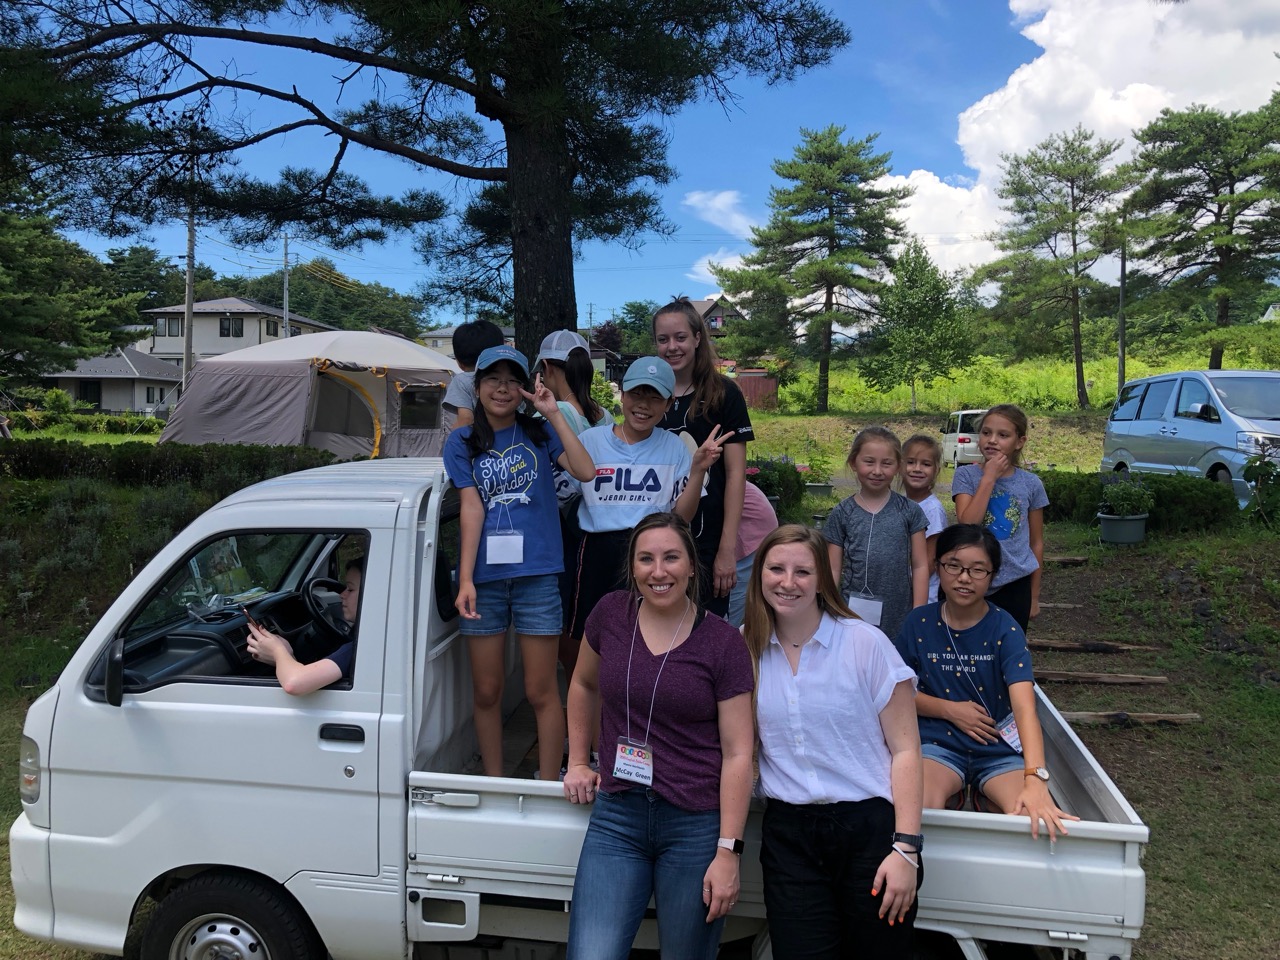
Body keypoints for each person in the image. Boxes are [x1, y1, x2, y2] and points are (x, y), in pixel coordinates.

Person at [563, 512, 754, 960]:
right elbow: (583, 684)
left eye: (671, 557)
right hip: (618, 816)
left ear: (692, 566)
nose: (658, 571)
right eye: (646, 559)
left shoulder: (723, 643)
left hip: (694, 823)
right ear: (632, 568)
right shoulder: (610, 613)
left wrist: (728, 852)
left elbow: (739, 753)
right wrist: (578, 761)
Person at [744, 525, 923, 959]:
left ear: (823, 579)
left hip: (870, 834)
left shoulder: (864, 643)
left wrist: (906, 849)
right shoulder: (745, 649)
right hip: (790, 839)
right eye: (776, 569)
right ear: (759, 573)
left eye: (803, 571)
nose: (788, 582)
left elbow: (906, 750)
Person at [443, 345, 596, 780]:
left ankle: (547, 787)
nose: (503, 388)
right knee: (487, 691)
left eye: (513, 380)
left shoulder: (539, 432)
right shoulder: (462, 442)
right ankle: (496, 784)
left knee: (541, 691)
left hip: (538, 577)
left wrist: (554, 414)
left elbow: (585, 471)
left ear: (525, 387)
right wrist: (466, 579)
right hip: (485, 582)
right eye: (493, 379)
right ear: (477, 386)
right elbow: (471, 508)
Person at [894, 524, 1078, 840]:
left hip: (998, 750)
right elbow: (896, 696)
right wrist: (950, 710)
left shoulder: (1006, 629)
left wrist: (1035, 778)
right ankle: (952, 794)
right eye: (954, 566)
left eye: (978, 570)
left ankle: (986, 797)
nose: (964, 578)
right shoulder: (917, 624)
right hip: (936, 747)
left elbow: (1025, 708)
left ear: (992, 575)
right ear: (938, 566)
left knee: (1030, 816)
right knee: (918, 809)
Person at [567, 357, 728, 651]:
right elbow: (563, 492)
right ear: (622, 395)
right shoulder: (590, 441)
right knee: (589, 634)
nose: (643, 405)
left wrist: (697, 471)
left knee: (645, 634)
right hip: (596, 552)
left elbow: (682, 517)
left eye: (655, 398)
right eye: (637, 394)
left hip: (651, 551)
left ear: (668, 404)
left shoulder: (673, 447)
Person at [653, 297, 754, 618]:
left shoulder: (723, 393)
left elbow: (736, 475)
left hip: (707, 540)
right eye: (663, 339)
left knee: (706, 631)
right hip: (659, 541)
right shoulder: (649, 395)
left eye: (680, 337)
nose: (672, 347)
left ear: (698, 338)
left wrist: (727, 550)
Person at [533, 329, 614, 680]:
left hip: (562, 532)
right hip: (597, 528)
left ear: (548, 369)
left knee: (567, 622)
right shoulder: (604, 415)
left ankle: (577, 698)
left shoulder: (552, 414)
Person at [823, 426, 929, 639]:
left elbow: (920, 565)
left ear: (898, 466)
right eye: (869, 462)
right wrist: (827, 609)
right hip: (851, 613)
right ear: (853, 463)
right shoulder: (842, 513)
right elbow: (832, 568)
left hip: (899, 614)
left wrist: (918, 614)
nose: (878, 471)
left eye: (886, 463)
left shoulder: (910, 511)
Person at [951, 404, 1048, 631]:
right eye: (986, 433)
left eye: (1003, 435)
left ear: (1019, 442)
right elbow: (968, 524)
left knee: (1009, 646)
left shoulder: (1031, 484)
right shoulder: (966, 475)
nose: (992, 440)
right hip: (971, 579)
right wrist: (989, 478)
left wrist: (1034, 596)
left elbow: (1036, 543)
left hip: (1016, 583)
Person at [247, 557, 363, 695]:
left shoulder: (359, 649)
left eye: (350, 589)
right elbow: (306, 678)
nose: (342, 594)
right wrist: (288, 656)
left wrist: (277, 651)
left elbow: (294, 683)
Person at [900, 433, 948, 603]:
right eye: (911, 462)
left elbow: (929, 562)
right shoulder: (898, 502)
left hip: (921, 596)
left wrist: (901, 586)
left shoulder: (932, 509)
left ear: (936, 470)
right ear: (900, 465)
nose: (917, 469)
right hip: (898, 592)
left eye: (926, 464)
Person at [725, 480, 778, 628]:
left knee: (733, 593)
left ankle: (725, 636)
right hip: (754, 528)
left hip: (753, 533)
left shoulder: (718, 479)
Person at [440, 319, 506, 431]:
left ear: (459, 362)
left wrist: (455, 433)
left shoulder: (461, 381)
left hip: (481, 439)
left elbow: (466, 419)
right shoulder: (509, 381)